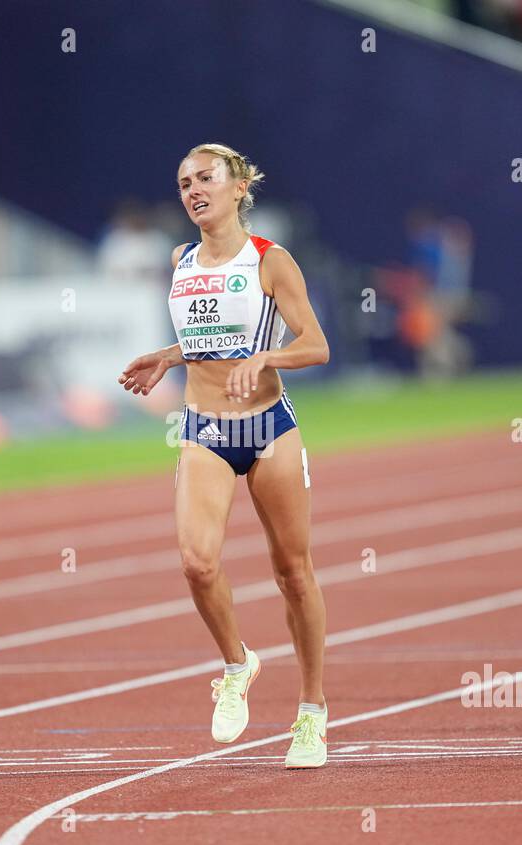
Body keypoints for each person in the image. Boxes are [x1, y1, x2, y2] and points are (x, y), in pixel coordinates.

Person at [117, 144, 332, 769]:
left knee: (293, 573)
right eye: (184, 182)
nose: (193, 190)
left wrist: (267, 358)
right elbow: (208, 338)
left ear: (239, 187)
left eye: (205, 177)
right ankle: (237, 665)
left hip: (269, 429)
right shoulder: (180, 260)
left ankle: (312, 712)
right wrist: (168, 355)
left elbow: (315, 345)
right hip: (204, 429)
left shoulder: (270, 260)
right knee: (197, 563)